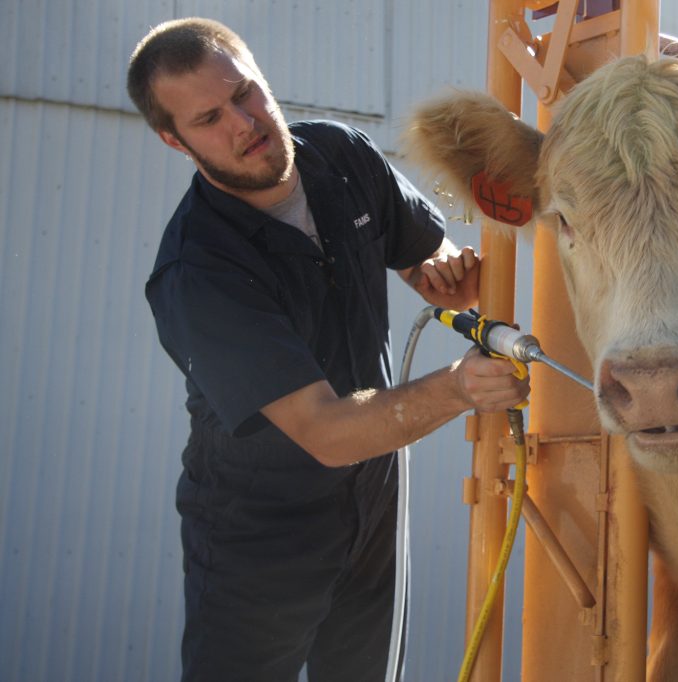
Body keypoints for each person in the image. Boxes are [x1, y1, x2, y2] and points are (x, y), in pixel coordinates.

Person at [127, 17, 529, 681]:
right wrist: (458, 388)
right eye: (208, 118)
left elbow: (428, 253)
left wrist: (443, 270)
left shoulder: (339, 156)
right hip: (260, 539)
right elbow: (326, 433)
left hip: (372, 510)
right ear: (176, 141)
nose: (244, 123)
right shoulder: (200, 270)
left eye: (246, 93)